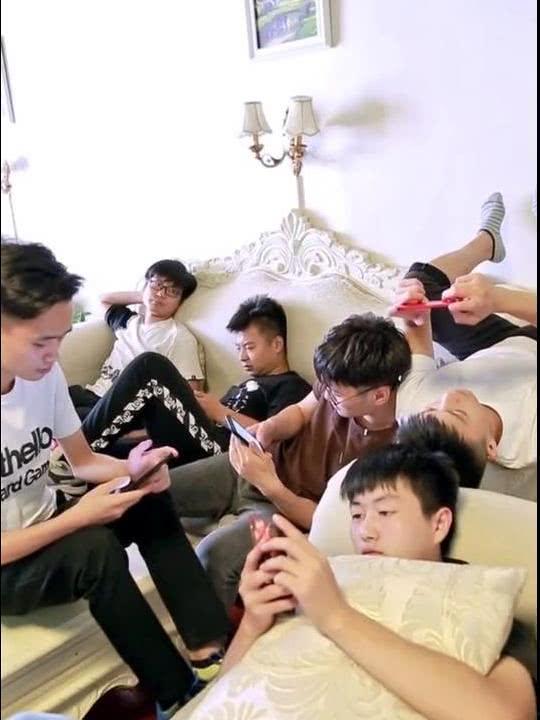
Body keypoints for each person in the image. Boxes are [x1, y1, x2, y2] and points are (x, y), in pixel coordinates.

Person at [1, 242, 230, 720]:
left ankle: (212, 656)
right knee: (95, 550)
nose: (53, 355)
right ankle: (176, 695)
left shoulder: (43, 377)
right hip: (9, 565)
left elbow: (83, 462)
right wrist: (79, 518)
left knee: (145, 497)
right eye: (41, 342)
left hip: (48, 522)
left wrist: (133, 469)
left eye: (61, 338)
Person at [222, 444, 536, 720]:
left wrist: (336, 616)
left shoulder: (485, 606)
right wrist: (252, 623)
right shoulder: (322, 583)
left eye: (385, 512)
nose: (366, 532)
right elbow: (222, 694)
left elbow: (505, 714)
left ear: (439, 524)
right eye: (357, 515)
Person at [168, 313, 412, 609]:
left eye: (336, 394)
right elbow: (300, 411)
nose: (328, 394)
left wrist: (270, 486)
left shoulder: (393, 452)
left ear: (380, 396)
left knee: (213, 556)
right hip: (257, 463)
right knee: (152, 490)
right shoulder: (335, 381)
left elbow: (324, 520)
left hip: (281, 509)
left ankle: (220, 637)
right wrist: (268, 428)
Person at [50, 294, 311, 495]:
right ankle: (62, 468)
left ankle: (70, 462)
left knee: (150, 366)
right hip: (196, 438)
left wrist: (220, 412)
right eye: (238, 348)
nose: (242, 356)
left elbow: (277, 442)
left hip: (222, 454)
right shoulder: (248, 383)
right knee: (82, 405)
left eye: (250, 347)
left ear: (277, 344)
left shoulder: (291, 386)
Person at [389, 191, 536, 478]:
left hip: (493, 348)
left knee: (421, 281)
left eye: (433, 406)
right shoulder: (529, 438)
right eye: (457, 413)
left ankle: (487, 242)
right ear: (491, 447)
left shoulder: (413, 417)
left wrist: (415, 310)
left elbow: (418, 340)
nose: (448, 396)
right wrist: (498, 299)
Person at [70, 258, 203, 420]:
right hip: (94, 395)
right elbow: (104, 299)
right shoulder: (128, 321)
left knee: (65, 422)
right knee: (48, 398)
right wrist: (147, 296)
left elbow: (192, 395)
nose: (161, 293)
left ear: (180, 303)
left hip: (123, 411)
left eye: (172, 291)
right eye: (157, 284)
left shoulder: (179, 336)